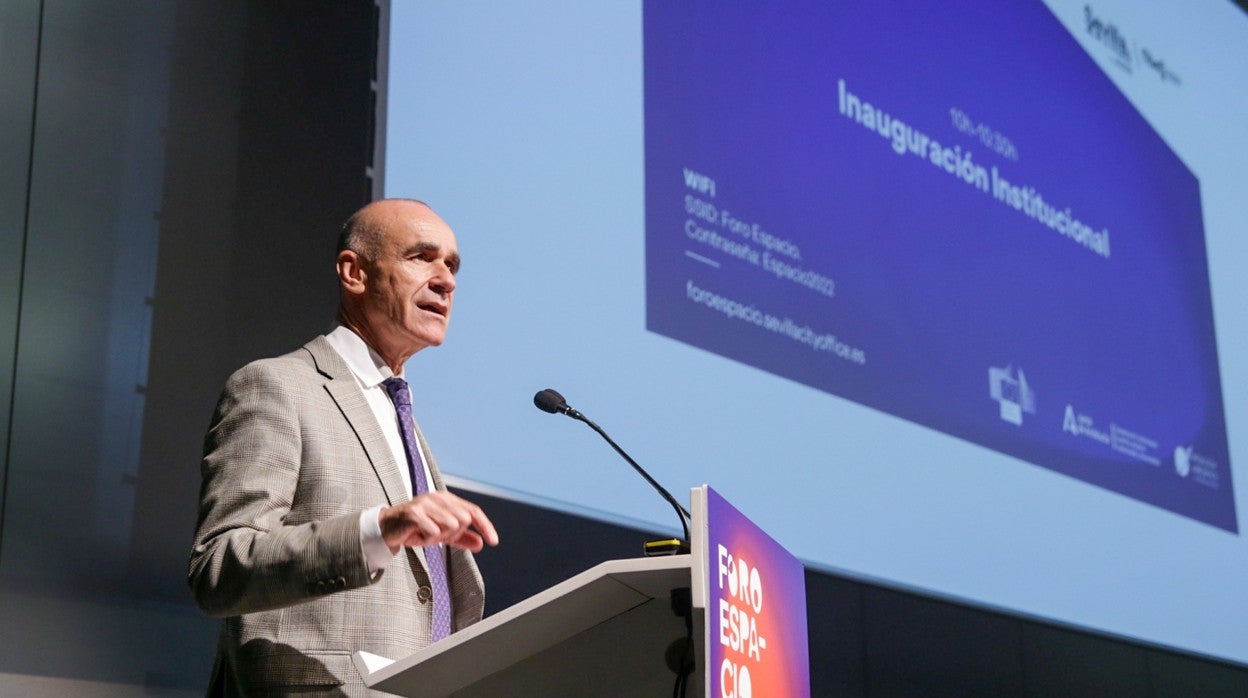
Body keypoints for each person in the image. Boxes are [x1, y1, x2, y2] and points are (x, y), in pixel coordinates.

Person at [188, 199, 499, 696]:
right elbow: (221, 567)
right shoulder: (277, 386)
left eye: (453, 265)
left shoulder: (402, 419)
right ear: (354, 273)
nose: (446, 280)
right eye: (422, 257)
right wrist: (379, 528)